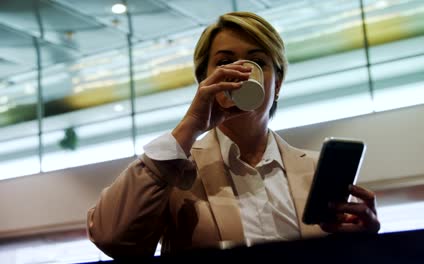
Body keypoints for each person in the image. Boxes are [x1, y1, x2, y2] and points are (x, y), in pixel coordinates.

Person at [86, 11, 380, 258]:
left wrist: (364, 240)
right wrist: (189, 125)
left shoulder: (317, 171)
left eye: (257, 62)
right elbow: (111, 237)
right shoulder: (173, 170)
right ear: (205, 81)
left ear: (276, 84)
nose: (240, 74)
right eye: (225, 62)